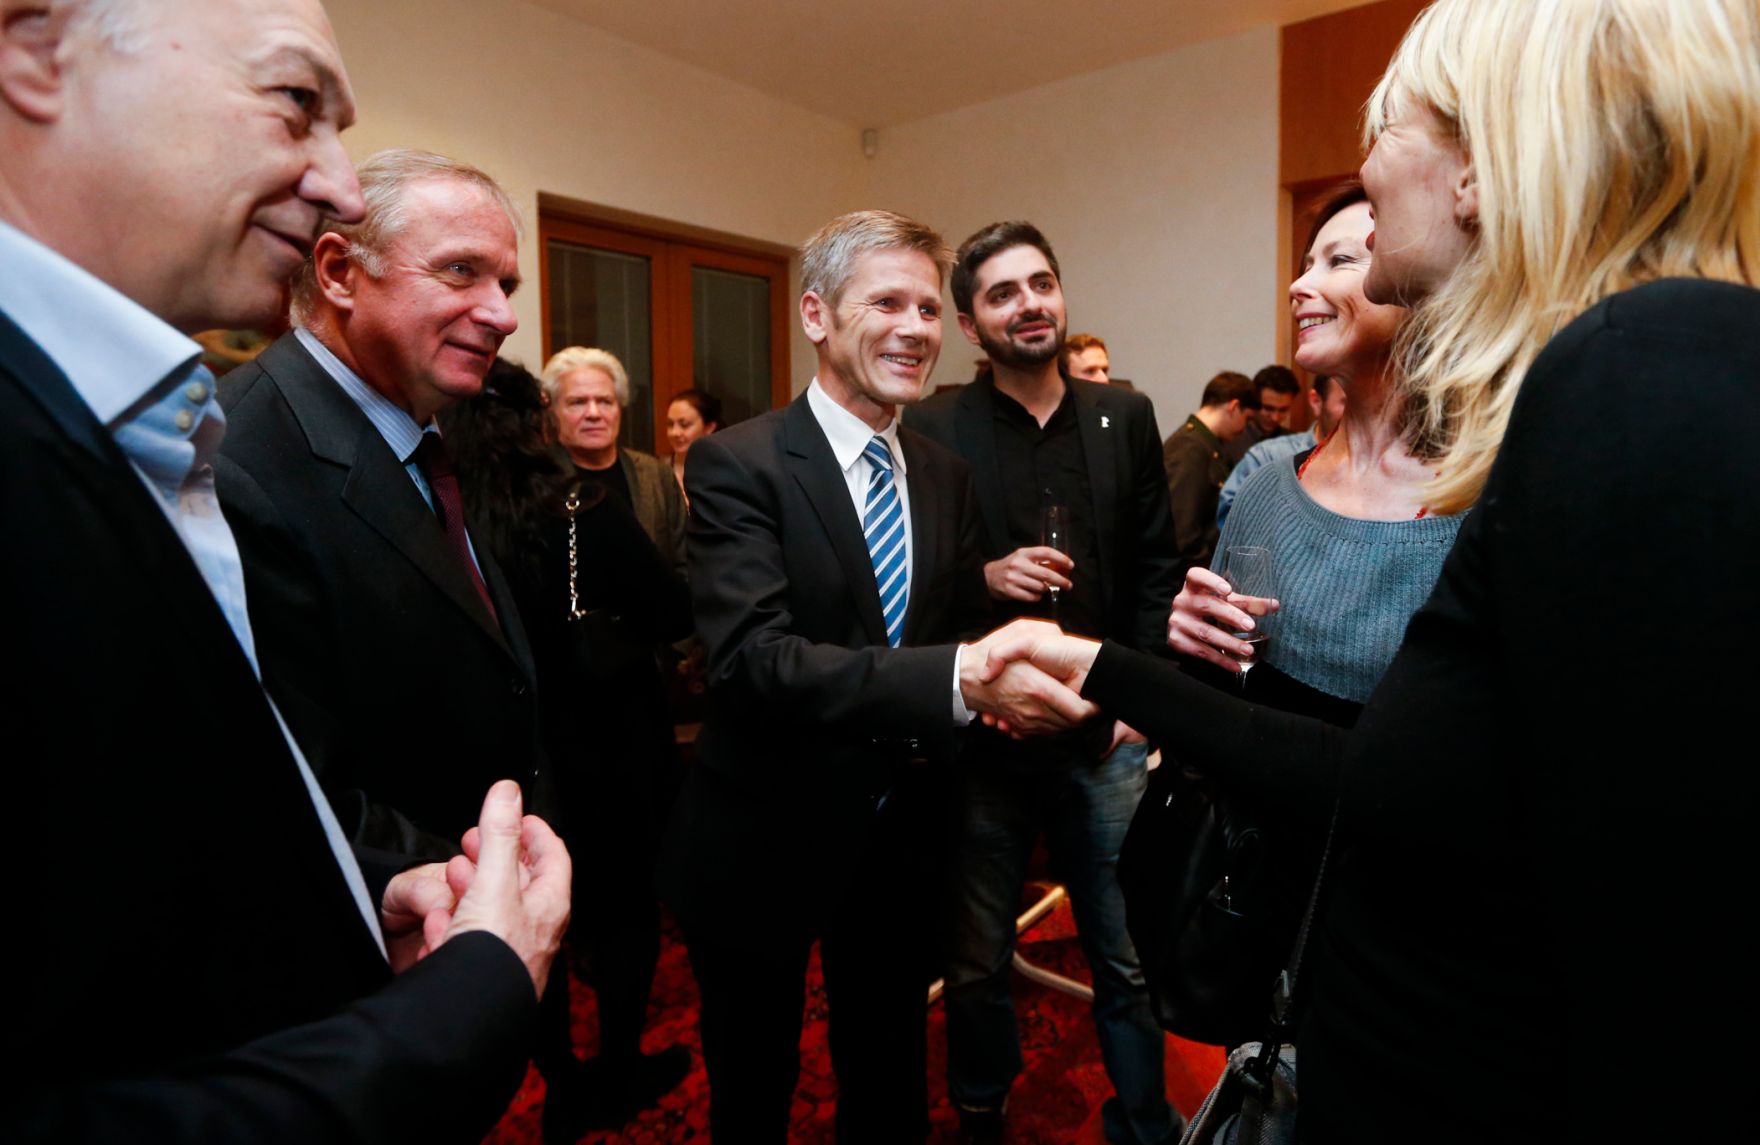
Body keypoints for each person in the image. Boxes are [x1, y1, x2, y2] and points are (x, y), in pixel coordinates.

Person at [982, 0, 1760, 1139]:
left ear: (1481, 165)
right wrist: (1104, 663)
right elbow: (1408, 786)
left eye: (1386, 124)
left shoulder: (1635, 377)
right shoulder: (1601, 384)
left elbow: (1671, 960)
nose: (1361, 167)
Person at [0, 1, 567, 1140]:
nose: (339, 185)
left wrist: (373, 897)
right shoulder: (230, 444)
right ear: (31, 48)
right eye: (295, 101)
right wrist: (464, 989)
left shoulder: (173, 428)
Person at [656, 209, 1096, 1144]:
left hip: (900, 837)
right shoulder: (739, 462)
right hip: (760, 835)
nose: (914, 328)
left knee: (891, 1074)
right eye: (886, 302)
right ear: (816, 315)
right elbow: (752, 661)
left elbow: (951, 626)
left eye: (929, 309)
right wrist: (964, 680)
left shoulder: (944, 472)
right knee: (753, 1086)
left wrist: (1038, 669)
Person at [213, 148, 597, 1140]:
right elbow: (279, 781)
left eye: (504, 281)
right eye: (462, 271)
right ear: (338, 271)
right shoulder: (248, 457)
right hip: (369, 976)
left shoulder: (426, 422)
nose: (505, 312)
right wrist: (457, 887)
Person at [907, 221, 1181, 1145]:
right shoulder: (934, 424)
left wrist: (1133, 708)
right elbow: (907, 585)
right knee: (979, 954)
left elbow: (1155, 568)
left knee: (1127, 954)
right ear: (971, 326)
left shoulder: (1125, 416)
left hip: (1101, 738)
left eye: (1041, 283)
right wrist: (983, 579)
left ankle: (1146, 1118)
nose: (1029, 303)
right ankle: (982, 1108)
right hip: (986, 742)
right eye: (1001, 293)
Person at [440, 358, 695, 1129]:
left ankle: (559, 1077)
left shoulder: (435, 515)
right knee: (622, 913)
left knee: (526, 915)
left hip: (504, 754)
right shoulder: (580, 504)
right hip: (611, 743)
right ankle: (619, 1068)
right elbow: (672, 606)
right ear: (540, 422)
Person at [1176, 182, 1461, 719]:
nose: (1299, 284)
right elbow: (1216, 692)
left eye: (1341, 260)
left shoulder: (1480, 504)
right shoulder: (1264, 489)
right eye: (1308, 263)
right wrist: (1193, 638)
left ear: (1416, 283)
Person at [543, 345, 687, 577]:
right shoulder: (536, 476)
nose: (593, 413)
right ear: (552, 411)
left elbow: (685, 562)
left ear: (619, 407)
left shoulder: (656, 475)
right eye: (577, 402)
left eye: (605, 401)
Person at [1214, 373, 1345, 530]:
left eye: (1283, 410)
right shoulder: (1267, 455)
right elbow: (1229, 517)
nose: (1275, 418)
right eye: (1347, 402)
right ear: (1316, 402)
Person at [1160, 370, 1257, 578]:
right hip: (1187, 578)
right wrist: (1212, 576)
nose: (1244, 429)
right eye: (1247, 419)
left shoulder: (1205, 445)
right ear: (1234, 407)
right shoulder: (1190, 447)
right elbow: (1182, 531)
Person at [1222, 365, 1300, 464]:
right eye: (1268, 408)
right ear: (1254, 401)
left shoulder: (1294, 444)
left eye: (1283, 410)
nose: (1275, 418)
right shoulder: (1230, 440)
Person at [665, 386, 721, 498]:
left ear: (709, 428)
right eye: (670, 424)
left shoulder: (722, 471)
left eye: (684, 425)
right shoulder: (658, 470)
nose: (675, 432)